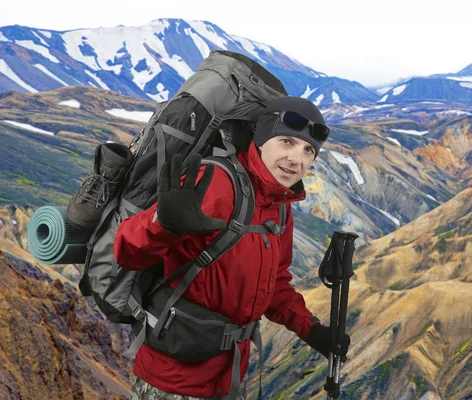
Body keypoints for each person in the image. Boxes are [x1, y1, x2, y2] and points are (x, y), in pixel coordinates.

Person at [113, 96, 351, 399]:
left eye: (308, 150)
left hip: (230, 378)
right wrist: (163, 224)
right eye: (287, 142)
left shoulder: (278, 207)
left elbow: (274, 284)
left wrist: (312, 330)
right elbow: (126, 251)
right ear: (262, 140)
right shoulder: (217, 184)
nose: (297, 159)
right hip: (173, 379)